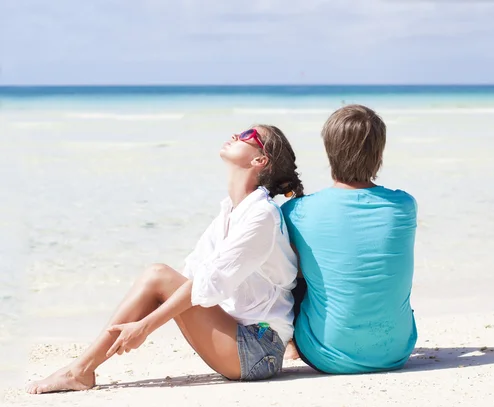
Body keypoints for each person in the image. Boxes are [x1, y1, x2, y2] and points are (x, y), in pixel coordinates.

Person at [27, 125, 304, 394]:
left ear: (260, 160)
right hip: (239, 340)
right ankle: (82, 369)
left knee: (158, 275)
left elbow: (209, 283)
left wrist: (144, 327)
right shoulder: (231, 211)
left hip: (259, 349)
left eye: (247, 135)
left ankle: (80, 370)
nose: (235, 135)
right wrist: (144, 320)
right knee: (158, 276)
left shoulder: (262, 215)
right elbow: (192, 272)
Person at [282, 105, 418, 374]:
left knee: (287, 262)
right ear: (379, 153)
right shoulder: (404, 204)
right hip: (397, 350)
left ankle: (291, 344)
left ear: (330, 150)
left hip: (327, 353)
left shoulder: (298, 211)